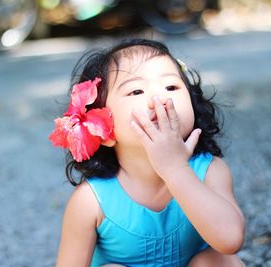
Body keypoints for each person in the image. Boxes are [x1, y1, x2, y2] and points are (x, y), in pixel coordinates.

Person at [51, 38, 245, 266]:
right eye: (136, 91)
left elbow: (230, 241)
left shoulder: (210, 171)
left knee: (217, 261)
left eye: (171, 87)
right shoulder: (91, 201)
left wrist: (175, 170)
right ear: (102, 131)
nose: (159, 99)